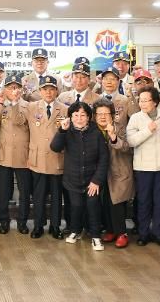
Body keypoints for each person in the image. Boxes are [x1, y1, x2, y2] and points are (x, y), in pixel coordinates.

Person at [51, 101, 109, 251]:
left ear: (89, 117)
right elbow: (55, 147)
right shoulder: (67, 131)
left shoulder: (96, 132)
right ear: (70, 117)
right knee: (76, 206)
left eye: (83, 115)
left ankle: (95, 236)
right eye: (75, 115)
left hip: (92, 180)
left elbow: (104, 158)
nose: (79, 118)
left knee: (93, 206)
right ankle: (75, 231)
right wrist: (62, 131)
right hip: (73, 179)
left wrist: (97, 180)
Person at [126, 87, 160, 247]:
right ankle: (143, 233)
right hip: (143, 167)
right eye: (140, 100)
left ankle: (159, 233)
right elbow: (131, 141)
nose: (142, 103)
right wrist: (148, 131)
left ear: (155, 102)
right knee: (144, 201)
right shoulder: (135, 118)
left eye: (146, 100)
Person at [25, 75, 66, 239]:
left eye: (51, 89)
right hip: (38, 158)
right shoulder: (31, 107)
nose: (48, 92)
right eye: (45, 89)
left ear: (57, 91)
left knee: (56, 195)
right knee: (39, 195)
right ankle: (38, 225)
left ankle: (55, 226)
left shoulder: (64, 109)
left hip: (57, 158)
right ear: (39, 91)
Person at [0, 74, 32, 234]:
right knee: (2, 191)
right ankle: (4, 221)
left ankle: (22, 222)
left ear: (21, 90)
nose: (14, 90)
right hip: (4, 154)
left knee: (24, 192)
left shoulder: (28, 106)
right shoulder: (1, 104)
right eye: (10, 87)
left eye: (17, 87)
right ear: (4, 89)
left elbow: (18, 121)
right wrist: (0, 104)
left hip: (23, 155)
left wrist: (14, 103)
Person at [94, 97, 134, 249]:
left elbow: (128, 147)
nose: (103, 117)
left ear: (112, 115)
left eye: (106, 113)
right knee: (104, 202)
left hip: (118, 171)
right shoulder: (92, 129)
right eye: (99, 114)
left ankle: (122, 233)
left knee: (116, 202)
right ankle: (110, 230)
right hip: (99, 172)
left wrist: (113, 137)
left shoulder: (121, 128)